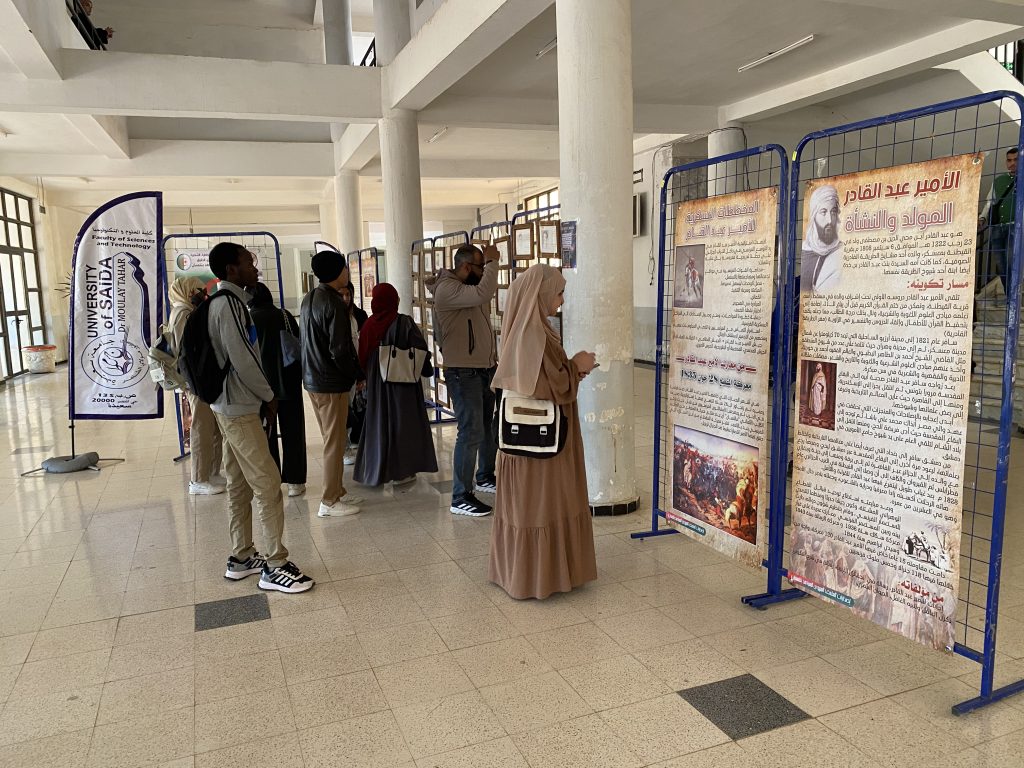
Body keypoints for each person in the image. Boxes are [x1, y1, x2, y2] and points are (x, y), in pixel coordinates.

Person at [205, 242, 314, 594]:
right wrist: (269, 396)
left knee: (238, 483)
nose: (255, 268)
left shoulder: (222, 302)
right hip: (239, 407)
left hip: (228, 405)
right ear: (231, 269)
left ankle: (241, 556)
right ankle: (275, 565)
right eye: (248, 262)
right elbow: (244, 360)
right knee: (267, 484)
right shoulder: (230, 305)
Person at [488, 264, 598, 600]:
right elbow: (545, 387)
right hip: (540, 445)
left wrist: (570, 370)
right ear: (540, 294)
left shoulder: (530, 330)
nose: (561, 300)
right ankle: (536, 577)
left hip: (534, 439)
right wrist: (576, 366)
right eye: (558, 293)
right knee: (539, 504)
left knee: (535, 505)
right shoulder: (532, 336)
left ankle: (537, 572)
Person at [427, 243, 500, 517]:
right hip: (463, 372)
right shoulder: (447, 289)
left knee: (485, 426)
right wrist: (493, 262)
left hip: (483, 369)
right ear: (467, 266)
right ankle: (460, 496)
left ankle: (485, 476)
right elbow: (484, 292)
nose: (484, 272)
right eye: (481, 267)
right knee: (470, 432)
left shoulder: (467, 289)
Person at [354, 283, 438, 487]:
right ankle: (402, 473)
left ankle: (376, 471)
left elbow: (361, 357)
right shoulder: (404, 322)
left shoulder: (368, 325)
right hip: (403, 383)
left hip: (377, 385)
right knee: (403, 424)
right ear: (393, 300)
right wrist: (427, 370)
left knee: (379, 424)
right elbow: (420, 350)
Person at [301, 251, 364, 518]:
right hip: (330, 382)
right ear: (337, 271)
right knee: (335, 442)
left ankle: (337, 491)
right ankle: (329, 501)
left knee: (333, 439)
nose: (347, 272)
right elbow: (339, 349)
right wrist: (355, 376)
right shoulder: (334, 303)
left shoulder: (310, 298)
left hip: (314, 379)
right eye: (345, 268)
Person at [247, 282, 307, 498]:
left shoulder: (249, 320)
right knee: (294, 432)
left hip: (262, 386)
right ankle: (295, 482)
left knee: (266, 434)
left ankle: (272, 480)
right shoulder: (284, 315)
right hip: (289, 381)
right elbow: (299, 343)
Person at [167, 276, 224, 496]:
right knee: (201, 428)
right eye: (198, 290)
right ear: (188, 292)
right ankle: (198, 479)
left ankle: (212, 472)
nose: (202, 295)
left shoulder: (186, 311)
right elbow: (186, 352)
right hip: (195, 381)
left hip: (201, 379)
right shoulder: (182, 313)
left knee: (212, 428)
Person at [980, 147, 1018, 286]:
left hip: (1014, 226)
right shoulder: (999, 180)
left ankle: (1013, 294)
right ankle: (1009, 295)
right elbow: (990, 201)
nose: (1012, 163)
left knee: (1011, 262)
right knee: (1001, 265)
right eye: (1009, 160)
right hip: (997, 227)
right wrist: (982, 217)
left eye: (1016, 160)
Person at [339, 283, 365, 466]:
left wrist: (359, 374)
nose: (346, 298)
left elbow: (356, 348)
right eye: (342, 295)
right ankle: (344, 447)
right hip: (341, 374)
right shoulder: (336, 318)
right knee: (343, 411)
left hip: (353, 372)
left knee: (351, 407)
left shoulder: (354, 318)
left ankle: (349, 442)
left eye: (348, 294)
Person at [800, 184, 843, 293]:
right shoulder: (805, 250)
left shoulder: (841, 251)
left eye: (833, 212)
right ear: (813, 215)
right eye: (823, 212)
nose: (829, 220)